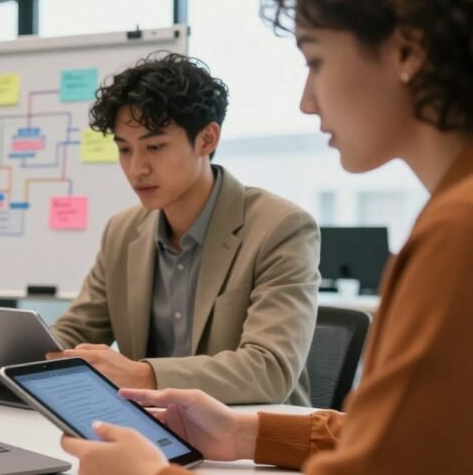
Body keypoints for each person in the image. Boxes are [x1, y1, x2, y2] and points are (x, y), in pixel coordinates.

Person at [61, 0, 473, 475]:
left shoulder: (467, 230)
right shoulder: (464, 212)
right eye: (125, 148)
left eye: (314, 61)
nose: (306, 101)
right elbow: (418, 440)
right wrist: (245, 431)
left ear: (408, 50)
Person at [49, 53, 319, 405]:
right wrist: (22, 352)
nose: (136, 169)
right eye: (124, 149)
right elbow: (76, 331)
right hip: (151, 427)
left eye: (155, 147)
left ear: (207, 139)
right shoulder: (123, 230)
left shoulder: (280, 228)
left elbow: (269, 370)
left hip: (251, 439)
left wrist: (142, 375)